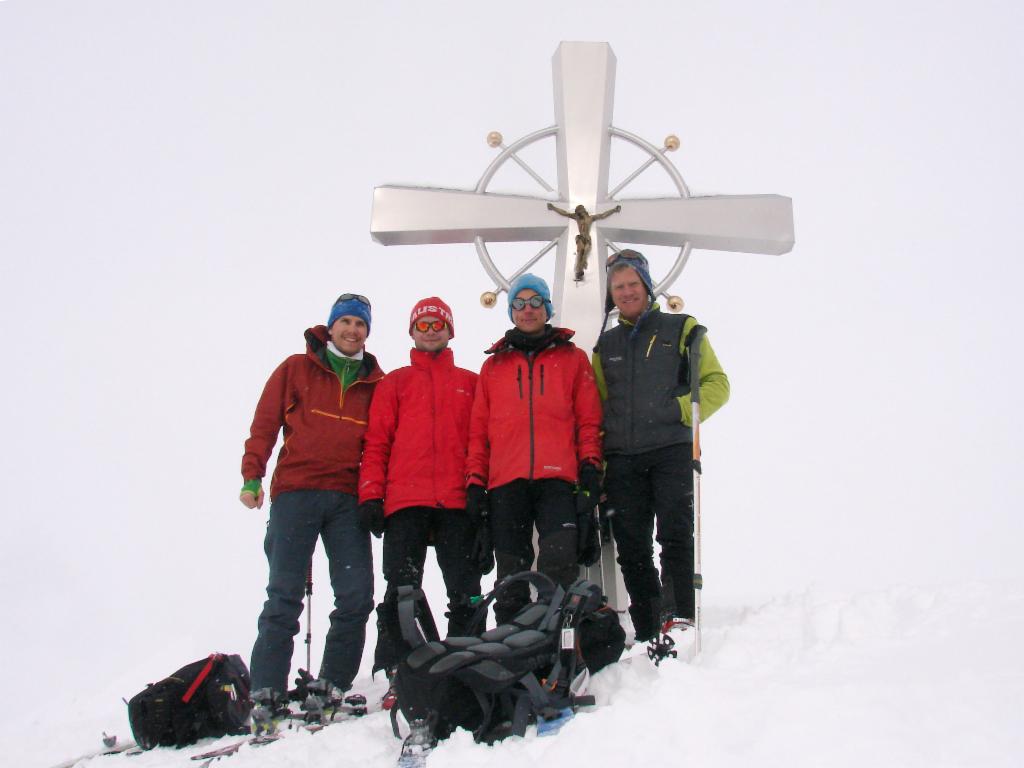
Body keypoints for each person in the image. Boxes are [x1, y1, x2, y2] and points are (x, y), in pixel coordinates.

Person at [239, 293, 384, 726]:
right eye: (346, 323)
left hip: (346, 498)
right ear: (331, 326)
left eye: (360, 325)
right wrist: (252, 476)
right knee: (284, 594)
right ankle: (265, 689)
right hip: (296, 492)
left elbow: (384, 444)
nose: (352, 331)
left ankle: (333, 683)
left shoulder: (377, 382)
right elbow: (265, 423)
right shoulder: (295, 369)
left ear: (367, 333)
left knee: (356, 596)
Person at [592, 250, 730, 643]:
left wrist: (680, 410)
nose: (626, 292)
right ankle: (650, 624)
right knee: (632, 546)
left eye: (633, 284)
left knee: (674, 534)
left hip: (670, 449)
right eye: (618, 286)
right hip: (622, 459)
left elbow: (717, 384)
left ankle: (679, 615)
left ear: (647, 286)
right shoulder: (606, 345)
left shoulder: (683, 329)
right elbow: (599, 405)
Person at [357, 297, 481, 698]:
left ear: (450, 331)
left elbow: (484, 442)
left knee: (465, 587)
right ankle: (402, 670)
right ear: (411, 332)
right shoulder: (394, 383)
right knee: (401, 588)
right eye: (422, 325)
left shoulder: (471, 381)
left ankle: (467, 661)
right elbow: (377, 444)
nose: (430, 332)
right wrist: (371, 496)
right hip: (405, 501)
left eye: (437, 325)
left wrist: (484, 495)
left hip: (457, 501)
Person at [466, 273, 603, 625]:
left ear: (547, 308)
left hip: (558, 480)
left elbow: (588, 421)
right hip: (505, 482)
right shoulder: (493, 366)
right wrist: (474, 484)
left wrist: (590, 467)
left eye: (535, 302)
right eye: (519, 304)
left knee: (559, 565)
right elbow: (479, 433)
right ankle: (511, 645)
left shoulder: (573, 359)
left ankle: (559, 642)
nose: (528, 310)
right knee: (511, 574)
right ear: (511, 311)